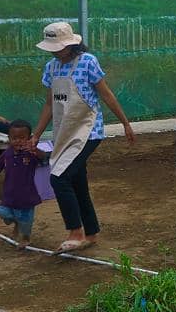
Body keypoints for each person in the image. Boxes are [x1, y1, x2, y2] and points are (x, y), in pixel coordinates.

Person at [31, 22, 135, 254]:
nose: (54, 50)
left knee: (59, 178)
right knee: (76, 182)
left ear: (70, 44)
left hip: (88, 131)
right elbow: (50, 104)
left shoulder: (88, 62)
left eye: (58, 46)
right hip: (65, 132)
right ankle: (91, 233)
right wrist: (36, 134)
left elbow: (106, 94)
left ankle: (75, 232)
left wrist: (125, 123)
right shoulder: (51, 67)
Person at [0, 119, 46, 249]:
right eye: (14, 138)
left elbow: (43, 157)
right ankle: (16, 223)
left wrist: (35, 149)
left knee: (26, 219)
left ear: (29, 138)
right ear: (9, 138)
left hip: (27, 195)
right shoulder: (7, 153)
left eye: (22, 138)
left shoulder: (31, 153)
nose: (18, 141)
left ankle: (26, 238)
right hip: (9, 194)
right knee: (3, 212)